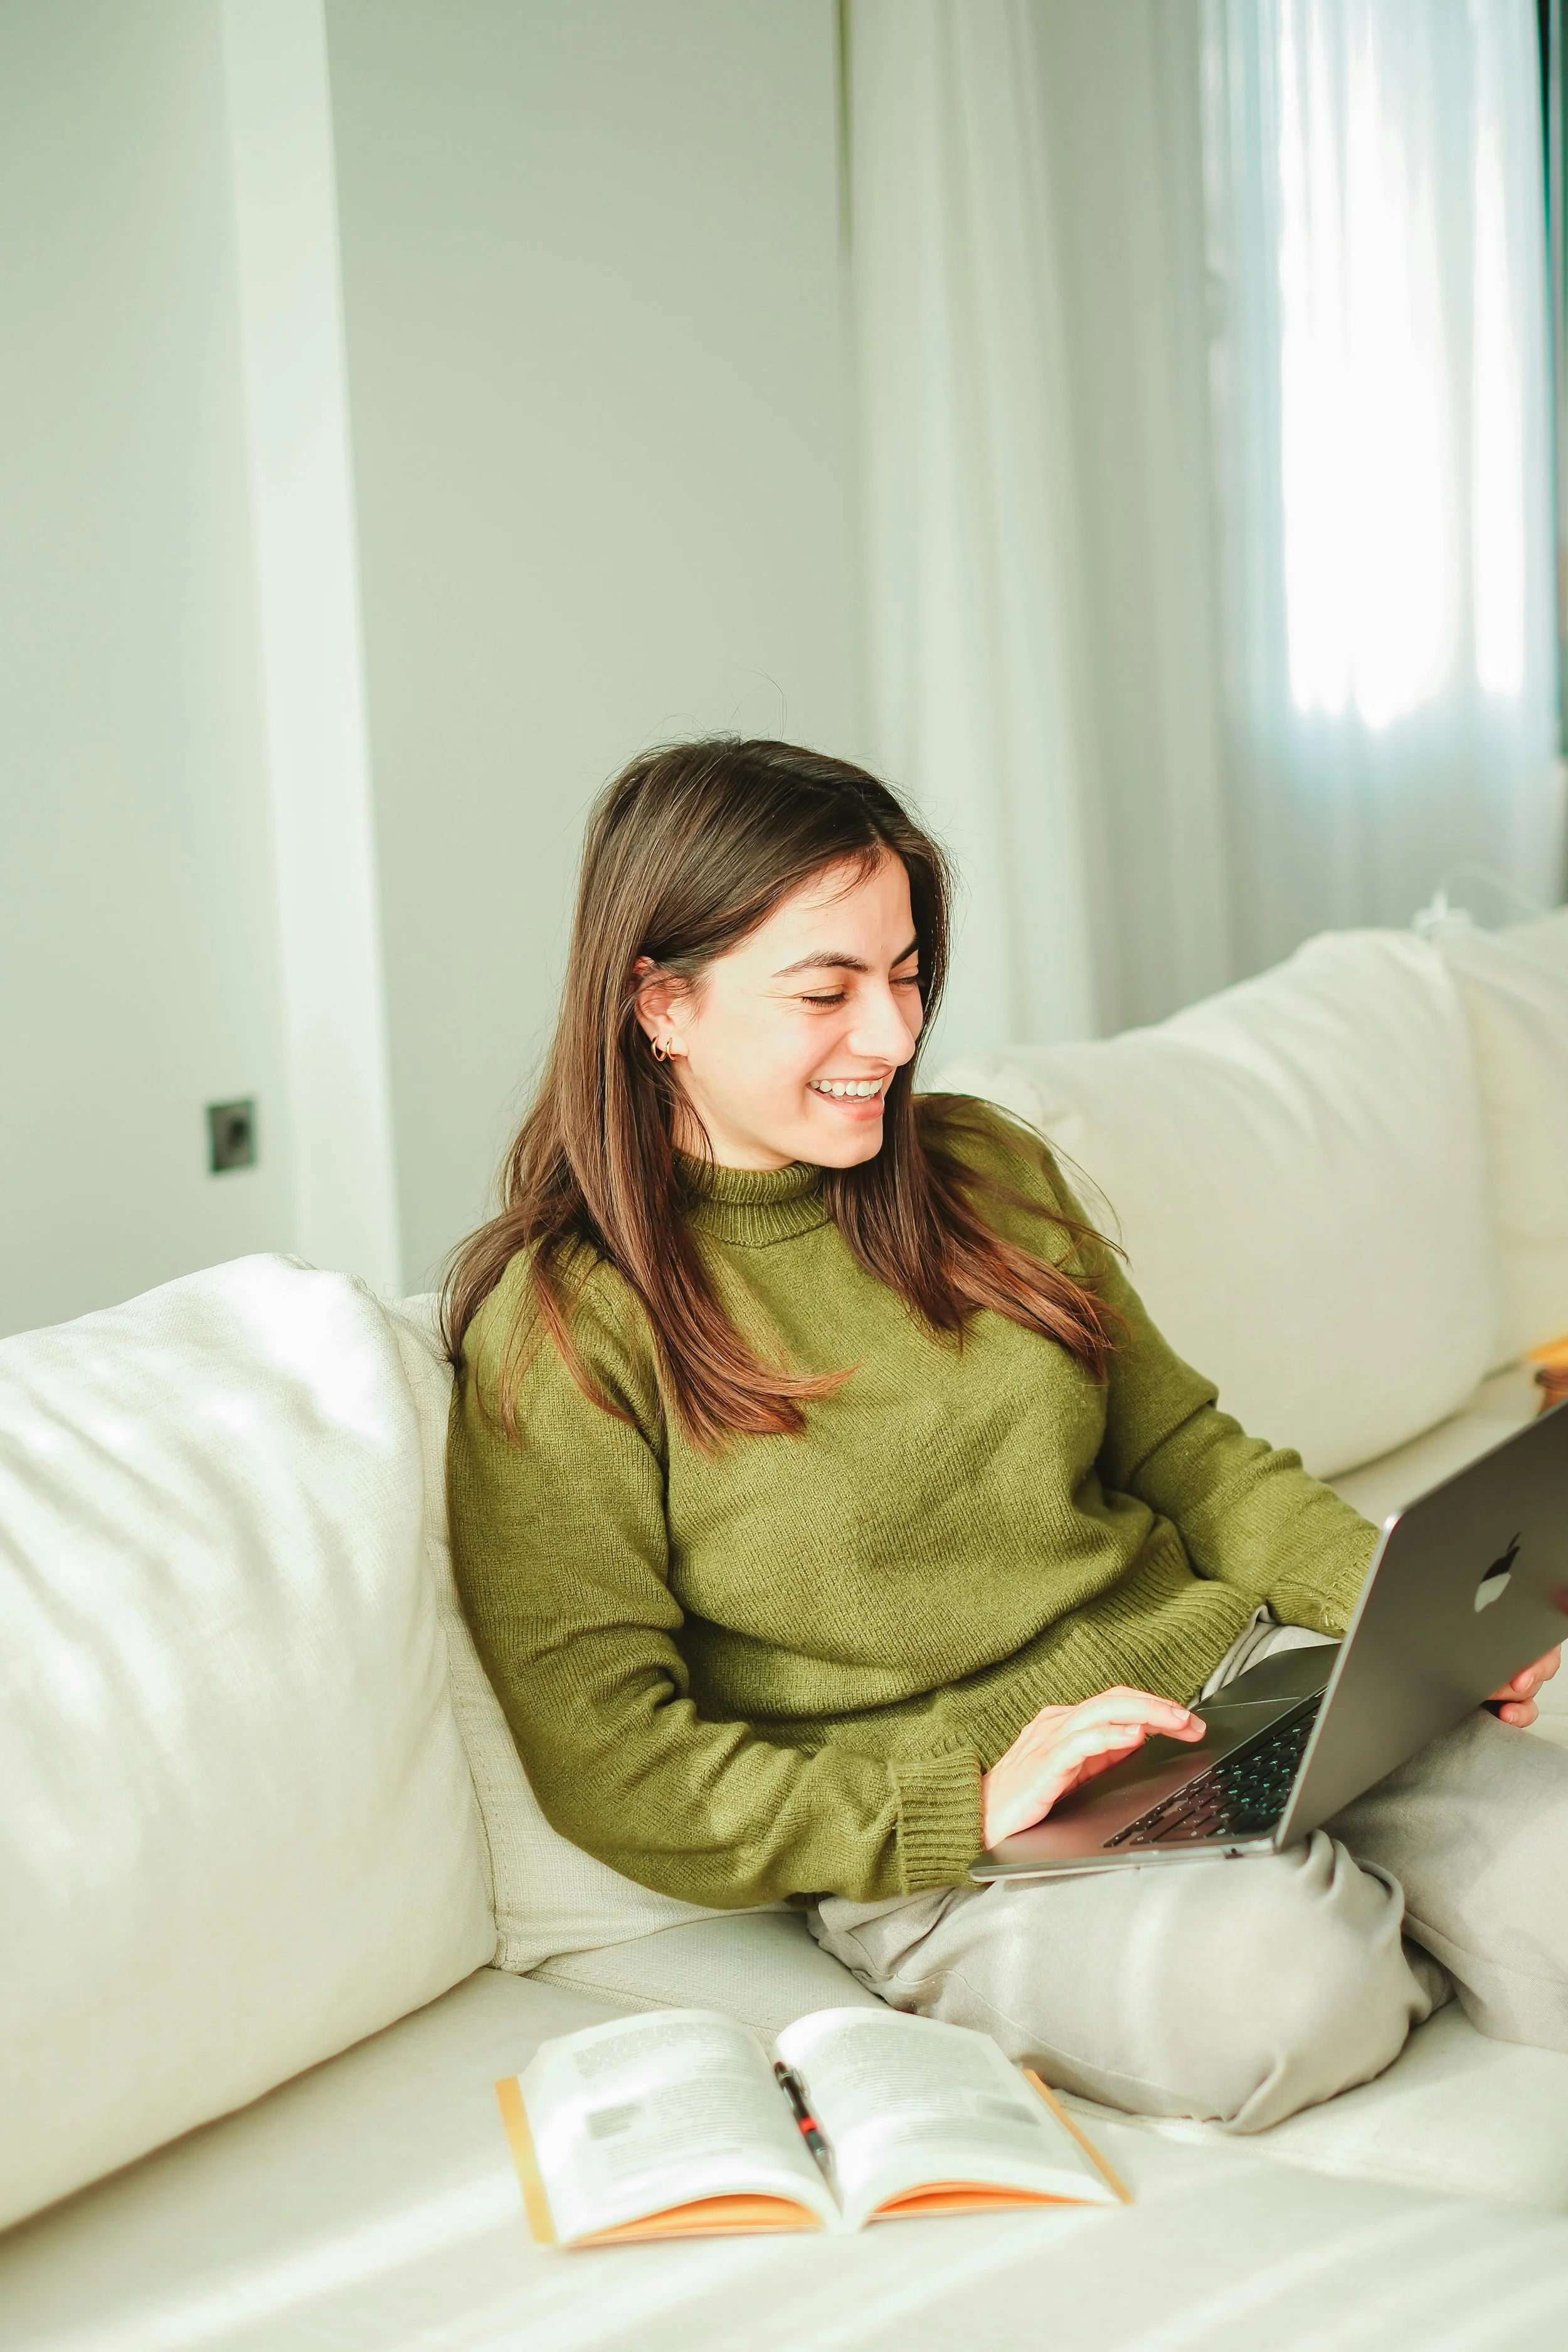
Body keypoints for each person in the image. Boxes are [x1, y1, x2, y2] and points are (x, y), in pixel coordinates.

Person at [445, 738, 1565, 2132]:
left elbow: (1185, 1458)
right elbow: (612, 1758)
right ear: (658, 1003)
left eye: (905, 972)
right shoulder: (563, 1326)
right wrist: (962, 1798)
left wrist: (1410, 1627)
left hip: (1244, 1687)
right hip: (960, 1836)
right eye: (826, 990)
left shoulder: (983, 1168)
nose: (893, 1036)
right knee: (1288, 2001)